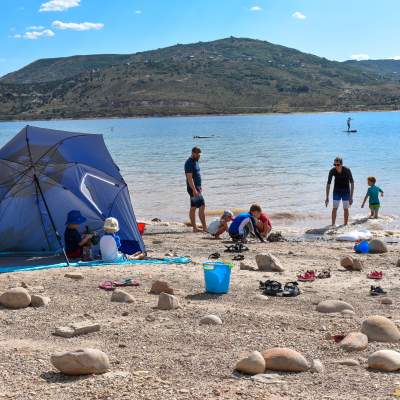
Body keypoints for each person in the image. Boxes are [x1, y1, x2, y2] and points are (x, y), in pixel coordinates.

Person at [325, 157, 354, 226]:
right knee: (335, 208)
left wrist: (351, 197)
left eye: (337, 165)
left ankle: (345, 224)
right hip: (336, 191)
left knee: (346, 208)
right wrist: (327, 197)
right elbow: (328, 184)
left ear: (341, 164)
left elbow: (352, 183)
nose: (336, 166)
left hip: (346, 192)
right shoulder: (332, 171)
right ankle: (333, 224)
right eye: (334, 164)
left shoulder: (347, 170)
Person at [184, 147, 207, 232]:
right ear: (193, 153)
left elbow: (196, 175)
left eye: (199, 154)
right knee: (202, 205)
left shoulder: (195, 161)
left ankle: (194, 228)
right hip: (193, 188)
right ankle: (204, 227)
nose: (199, 155)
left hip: (197, 187)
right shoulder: (189, 163)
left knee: (193, 207)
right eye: (197, 154)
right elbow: (190, 178)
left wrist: (199, 187)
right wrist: (194, 190)